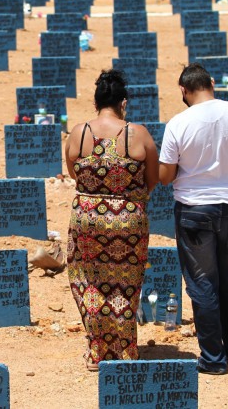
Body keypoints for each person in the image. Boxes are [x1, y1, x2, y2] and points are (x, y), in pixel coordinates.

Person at [159, 63, 228, 375]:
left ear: (183, 91)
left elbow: (166, 176)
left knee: (202, 283)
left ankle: (213, 358)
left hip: (194, 211)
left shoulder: (179, 123)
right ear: (212, 83)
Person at [65, 70, 159, 371]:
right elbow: (152, 179)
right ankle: (126, 351)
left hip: (87, 220)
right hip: (128, 221)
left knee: (89, 283)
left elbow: (74, 173)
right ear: (124, 103)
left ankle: (97, 352)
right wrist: (125, 199)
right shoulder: (138, 133)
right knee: (126, 285)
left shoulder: (79, 133)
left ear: (96, 103)